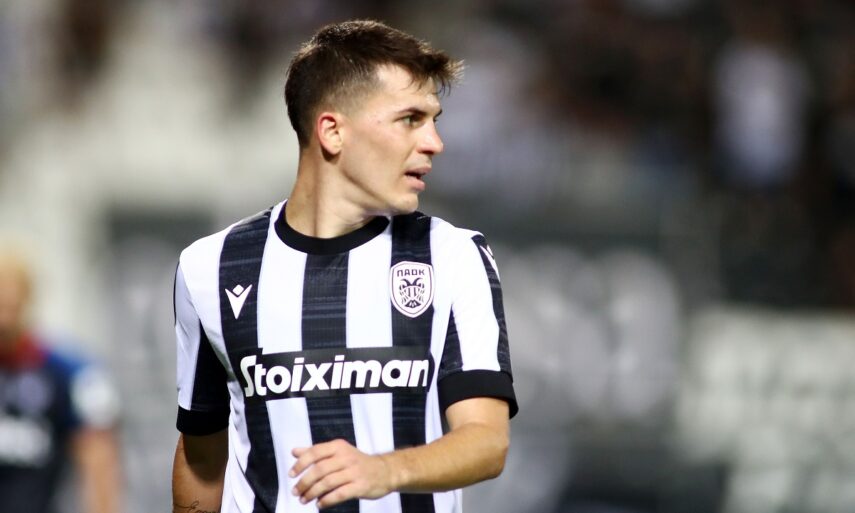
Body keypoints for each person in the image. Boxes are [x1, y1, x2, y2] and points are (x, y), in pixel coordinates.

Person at [172, 19, 517, 513]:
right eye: (410, 119)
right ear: (333, 132)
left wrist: (384, 470)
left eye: (434, 119)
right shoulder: (211, 268)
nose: (434, 142)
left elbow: (486, 441)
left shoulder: (453, 256)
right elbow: (201, 457)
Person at [0, 248, 122, 513]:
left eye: (10, 306)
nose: (4, 320)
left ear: (27, 301)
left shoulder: (67, 371)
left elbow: (98, 458)